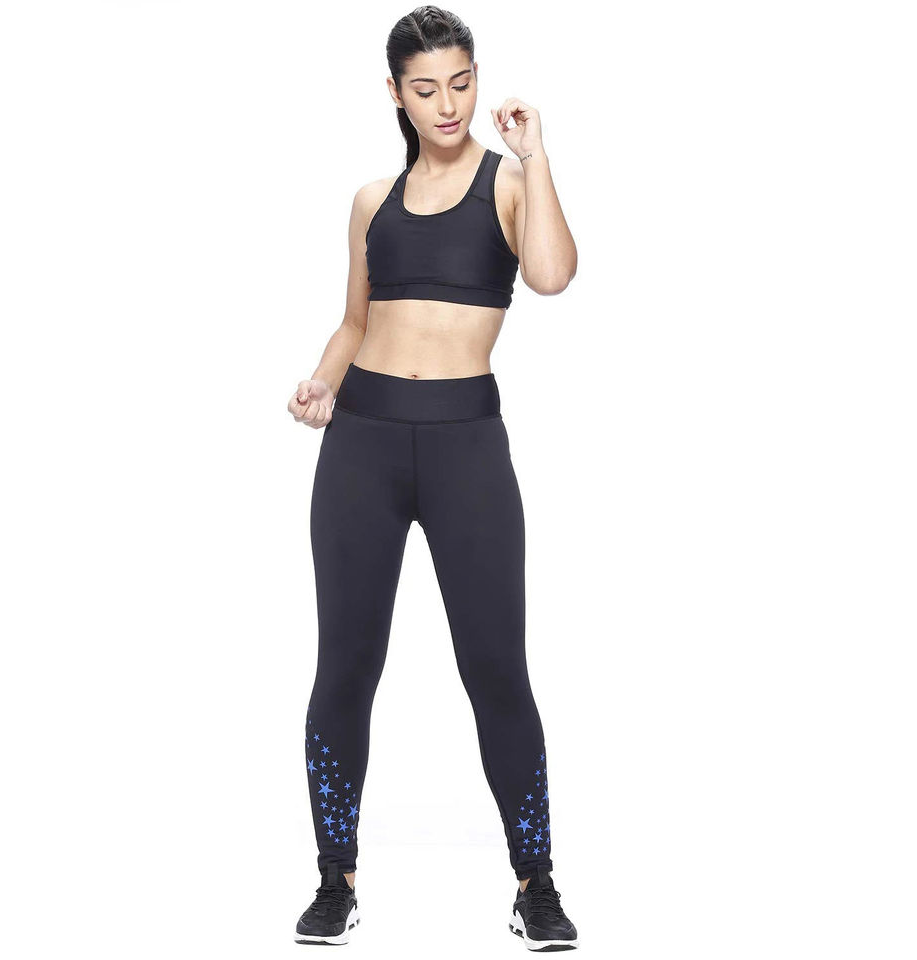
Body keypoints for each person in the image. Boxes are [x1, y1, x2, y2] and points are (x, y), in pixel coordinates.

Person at [288, 7, 578, 949]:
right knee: (345, 667)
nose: (448, 103)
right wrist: (322, 382)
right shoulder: (370, 200)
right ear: (395, 94)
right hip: (362, 446)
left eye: (462, 82)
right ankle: (335, 876)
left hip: (466, 449)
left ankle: (536, 882)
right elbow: (354, 322)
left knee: (496, 668)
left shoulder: (508, 186)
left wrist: (536, 156)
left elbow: (551, 277)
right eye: (426, 88)